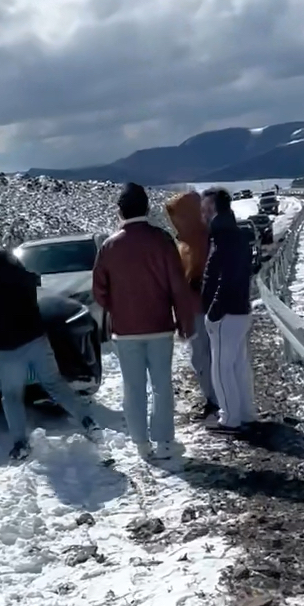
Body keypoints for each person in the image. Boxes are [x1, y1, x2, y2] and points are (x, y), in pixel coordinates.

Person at [0, 224, 98, 461]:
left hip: (8, 348)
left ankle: (20, 442)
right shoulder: (7, 260)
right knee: (55, 384)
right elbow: (32, 284)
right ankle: (87, 421)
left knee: (11, 396)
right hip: (36, 336)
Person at [93, 183, 195, 460]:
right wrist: (185, 321)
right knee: (162, 386)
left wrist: (120, 306)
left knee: (133, 387)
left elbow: (99, 292)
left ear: (119, 210)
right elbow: (178, 286)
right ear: (147, 208)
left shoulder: (109, 246)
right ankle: (164, 442)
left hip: (125, 331)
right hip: (160, 326)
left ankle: (141, 443)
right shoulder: (161, 240)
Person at [200, 188, 258, 432]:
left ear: (212, 208)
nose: (202, 213)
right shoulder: (237, 235)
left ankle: (230, 418)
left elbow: (222, 278)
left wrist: (213, 310)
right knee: (238, 365)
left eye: (204, 208)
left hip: (226, 313)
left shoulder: (222, 238)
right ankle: (245, 412)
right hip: (240, 308)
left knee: (222, 368)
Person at [166, 190, 219, 418]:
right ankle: (213, 398)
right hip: (194, 309)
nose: (175, 222)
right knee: (201, 357)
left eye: (177, 216)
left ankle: (216, 400)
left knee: (206, 356)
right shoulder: (186, 243)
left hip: (207, 309)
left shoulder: (206, 239)